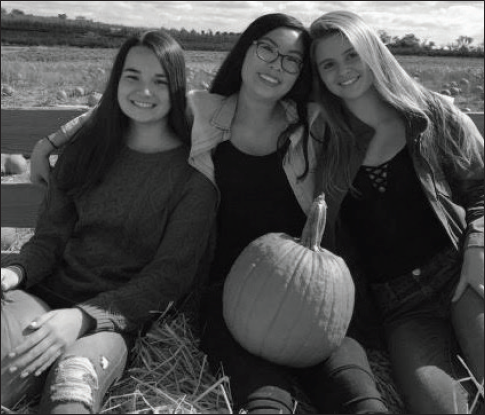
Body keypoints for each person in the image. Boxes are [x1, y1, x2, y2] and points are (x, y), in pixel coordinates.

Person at [29, 14, 390, 415]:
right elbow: (129, 103)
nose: (276, 65)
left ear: (300, 73)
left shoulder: (312, 123)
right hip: (227, 295)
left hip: (313, 289)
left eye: (292, 60)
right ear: (246, 50)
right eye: (267, 48)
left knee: (359, 398)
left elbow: (380, 112)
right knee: (264, 402)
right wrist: (53, 140)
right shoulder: (201, 110)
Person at [1, 29, 217, 413]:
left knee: (71, 389)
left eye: (160, 81)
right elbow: (47, 242)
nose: (144, 91)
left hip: (111, 322)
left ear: (178, 87)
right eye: (132, 76)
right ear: (117, 80)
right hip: (42, 296)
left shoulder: (193, 179)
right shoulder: (85, 151)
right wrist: (14, 272)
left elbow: (167, 279)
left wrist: (84, 318)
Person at [308, 10, 484, 414]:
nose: (344, 70)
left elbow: (481, 187)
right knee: (442, 408)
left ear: (373, 51)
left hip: (460, 271)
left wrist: (477, 249)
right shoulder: (327, 142)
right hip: (402, 307)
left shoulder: (431, 116)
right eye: (329, 64)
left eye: (352, 55)